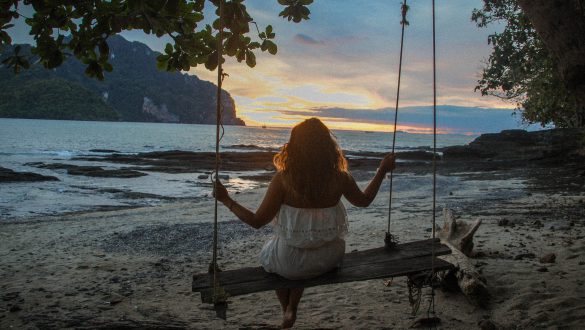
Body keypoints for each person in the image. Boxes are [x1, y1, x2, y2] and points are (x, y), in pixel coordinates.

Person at [213, 117, 396, 328]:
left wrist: (226, 199)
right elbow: (364, 201)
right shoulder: (340, 178)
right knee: (303, 247)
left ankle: (287, 309)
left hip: (290, 263)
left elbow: (256, 221)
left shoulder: (284, 179)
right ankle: (293, 307)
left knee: (279, 253)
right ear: (328, 146)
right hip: (328, 258)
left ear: (294, 146)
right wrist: (382, 170)